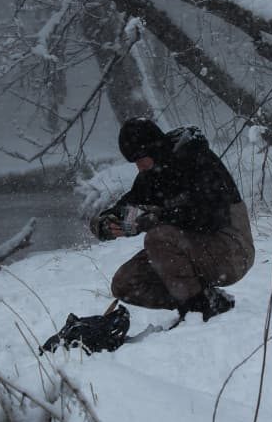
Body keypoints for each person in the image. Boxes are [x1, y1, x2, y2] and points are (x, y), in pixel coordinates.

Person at [90, 117, 255, 321]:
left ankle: (198, 310)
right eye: (135, 162)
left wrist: (158, 218)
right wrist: (105, 223)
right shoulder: (152, 172)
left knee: (158, 237)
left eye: (140, 159)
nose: (139, 167)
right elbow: (129, 204)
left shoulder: (198, 160)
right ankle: (208, 299)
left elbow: (210, 218)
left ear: (153, 148)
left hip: (232, 250)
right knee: (126, 283)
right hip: (193, 248)